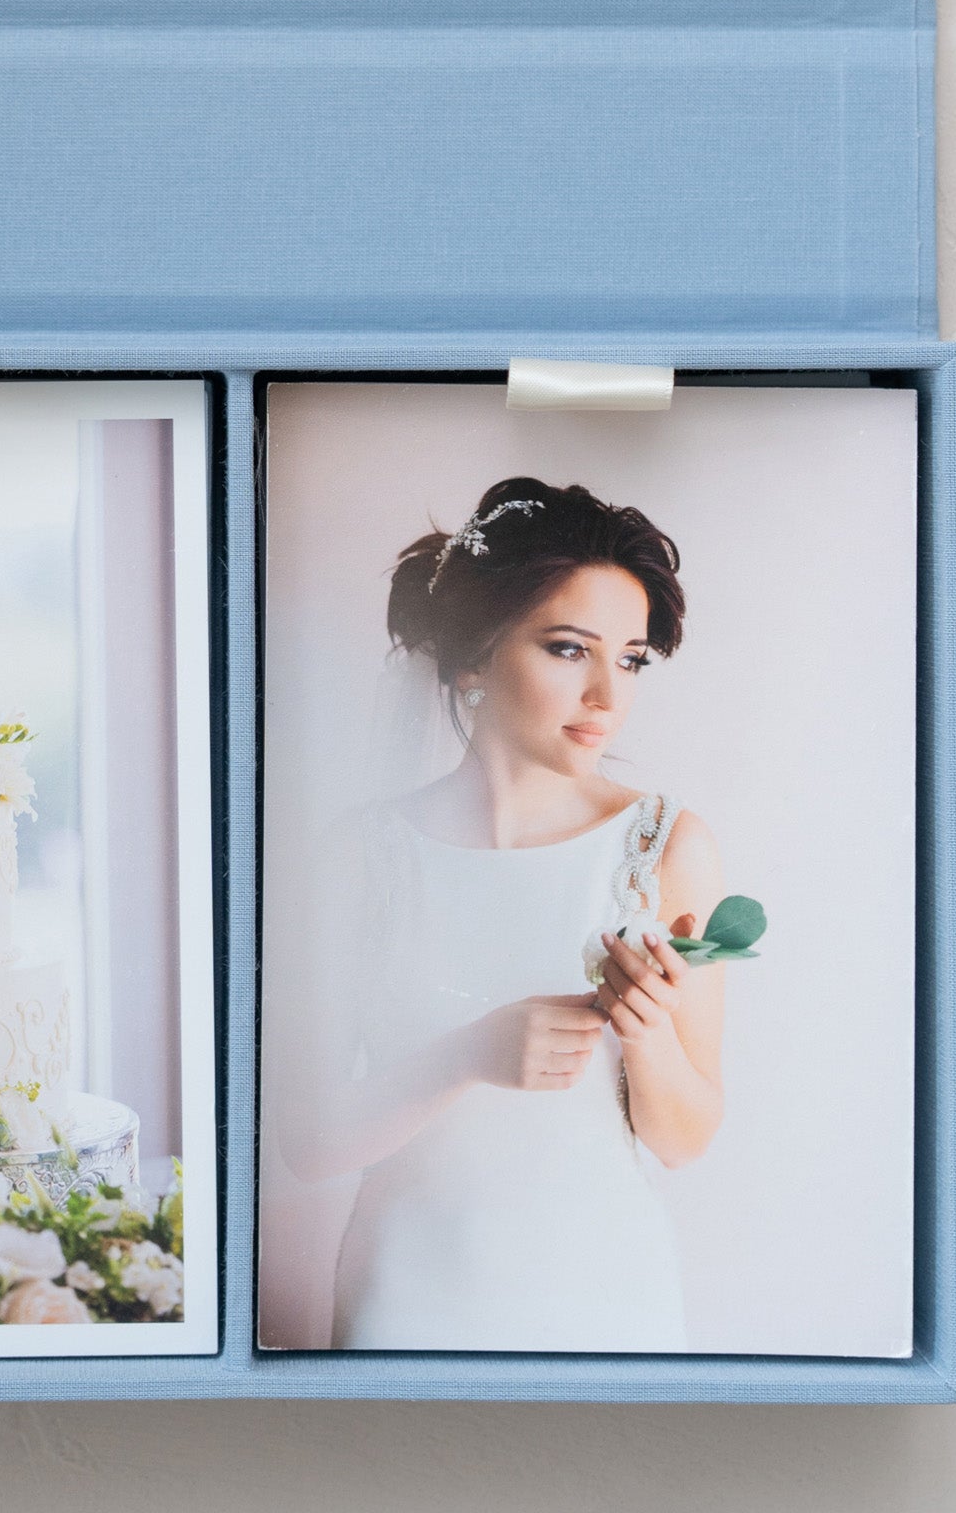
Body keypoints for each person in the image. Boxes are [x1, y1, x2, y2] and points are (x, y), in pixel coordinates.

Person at [283, 477, 726, 1351]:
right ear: (472, 658)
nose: (609, 694)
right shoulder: (360, 855)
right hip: (408, 1294)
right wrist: (466, 1055)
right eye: (570, 649)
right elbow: (307, 1143)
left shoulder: (665, 847)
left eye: (631, 658)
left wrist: (645, 1033)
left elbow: (686, 1142)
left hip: (610, 1295)